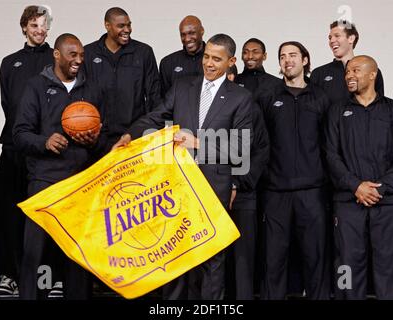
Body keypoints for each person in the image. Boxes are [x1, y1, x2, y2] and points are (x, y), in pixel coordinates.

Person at [113, 34, 254, 300]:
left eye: (217, 59)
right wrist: (130, 135)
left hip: (214, 186)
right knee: (175, 252)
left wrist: (198, 142)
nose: (209, 64)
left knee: (211, 256)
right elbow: (155, 116)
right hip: (177, 184)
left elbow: (240, 149)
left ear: (231, 61)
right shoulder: (182, 86)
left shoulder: (241, 97)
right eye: (206, 57)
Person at [13, 33, 106, 300]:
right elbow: (20, 134)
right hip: (44, 182)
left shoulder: (92, 89)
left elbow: (103, 136)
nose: (79, 60)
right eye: (72, 54)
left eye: (81, 55)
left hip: (79, 182)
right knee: (34, 254)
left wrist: (94, 140)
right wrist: (45, 142)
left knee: (78, 256)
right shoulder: (36, 87)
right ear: (56, 54)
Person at [259, 41, 330, 300]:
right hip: (276, 193)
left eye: (292, 55)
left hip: (313, 192)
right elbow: (259, 142)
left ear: (305, 60)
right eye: (282, 56)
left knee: (316, 262)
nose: (287, 60)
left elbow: (329, 144)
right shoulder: (268, 96)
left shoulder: (321, 97)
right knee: (273, 263)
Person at [325, 55, 393, 299]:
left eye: (355, 70)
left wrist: (381, 188)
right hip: (348, 203)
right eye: (347, 72)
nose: (349, 76)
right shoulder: (337, 111)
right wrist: (356, 186)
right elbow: (331, 155)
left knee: (388, 265)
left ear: (372, 74)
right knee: (347, 265)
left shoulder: (392, 109)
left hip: (387, 203)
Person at [0, 5, 53, 297]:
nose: (40, 31)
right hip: (14, 148)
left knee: (46, 216)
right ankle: (10, 275)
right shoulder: (9, 62)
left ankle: (52, 276)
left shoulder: (56, 59)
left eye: (44, 26)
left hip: (43, 150)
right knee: (10, 214)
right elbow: (9, 104)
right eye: (34, 26)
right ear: (24, 28)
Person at [84, 7, 161, 151]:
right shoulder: (88, 53)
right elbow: (80, 97)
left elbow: (154, 97)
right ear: (107, 26)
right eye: (121, 26)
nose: (127, 30)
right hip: (97, 140)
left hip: (133, 138)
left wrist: (148, 133)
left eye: (129, 25)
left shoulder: (144, 52)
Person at [226, 61, 269, 300]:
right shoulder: (203, 108)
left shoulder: (251, 108)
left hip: (244, 194)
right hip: (212, 193)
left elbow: (261, 150)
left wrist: (237, 183)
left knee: (243, 261)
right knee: (214, 260)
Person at [311, 20, 384, 105]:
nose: (332, 40)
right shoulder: (318, 73)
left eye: (337, 36)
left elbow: (380, 107)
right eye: (330, 38)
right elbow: (313, 110)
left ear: (351, 38)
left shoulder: (371, 71)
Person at [159, 15, 205, 97]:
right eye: (183, 35)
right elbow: (163, 99)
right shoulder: (167, 63)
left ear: (202, 31)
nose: (187, 39)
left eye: (192, 33)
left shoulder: (216, 60)